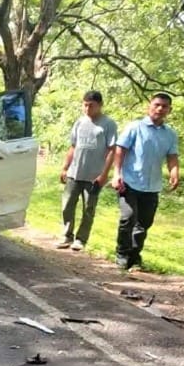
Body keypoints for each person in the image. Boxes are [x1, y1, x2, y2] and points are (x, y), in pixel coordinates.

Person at [106, 92, 180, 270]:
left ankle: (134, 256)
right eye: (157, 105)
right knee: (128, 217)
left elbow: (172, 157)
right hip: (129, 182)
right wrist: (116, 174)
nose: (160, 109)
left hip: (152, 185)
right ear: (150, 106)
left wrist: (175, 173)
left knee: (144, 223)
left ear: (169, 110)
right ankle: (122, 254)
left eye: (164, 106)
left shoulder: (170, 134)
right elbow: (120, 150)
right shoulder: (135, 127)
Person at [57, 90, 117, 251]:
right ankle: (66, 235)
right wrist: (65, 167)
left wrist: (104, 174)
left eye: (91, 105)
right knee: (67, 205)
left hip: (94, 176)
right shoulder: (79, 122)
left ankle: (81, 239)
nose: (88, 108)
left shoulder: (108, 124)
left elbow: (112, 150)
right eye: (85, 105)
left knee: (88, 209)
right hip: (75, 172)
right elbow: (73, 146)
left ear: (100, 105)